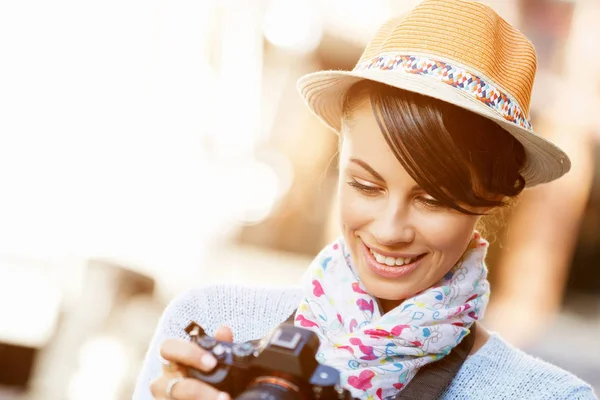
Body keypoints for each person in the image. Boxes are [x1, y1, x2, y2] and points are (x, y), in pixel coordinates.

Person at [134, 0, 597, 399]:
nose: (390, 230)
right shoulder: (211, 320)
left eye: (432, 199)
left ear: (491, 199)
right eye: (366, 186)